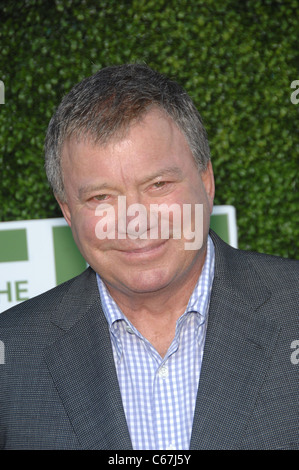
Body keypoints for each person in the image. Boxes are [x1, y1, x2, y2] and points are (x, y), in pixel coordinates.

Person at [0, 64, 298, 450]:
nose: (134, 221)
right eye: (100, 197)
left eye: (158, 185)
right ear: (68, 212)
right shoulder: (12, 357)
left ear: (206, 182)